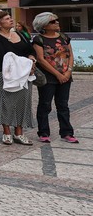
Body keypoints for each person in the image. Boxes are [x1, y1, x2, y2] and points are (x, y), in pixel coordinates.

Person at [0, 9, 35, 145]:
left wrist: (32, 60)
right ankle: (7, 132)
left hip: (24, 73)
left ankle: (19, 133)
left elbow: (30, 50)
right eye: (7, 18)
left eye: (10, 18)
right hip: (5, 74)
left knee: (23, 102)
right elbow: (2, 56)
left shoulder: (20, 34)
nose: (11, 20)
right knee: (6, 102)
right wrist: (26, 63)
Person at [31, 13, 78, 144]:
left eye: (57, 20)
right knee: (45, 105)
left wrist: (68, 72)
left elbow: (70, 55)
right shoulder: (39, 40)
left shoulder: (64, 37)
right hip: (48, 78)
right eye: (53, 21)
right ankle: (44, 132)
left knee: (63, 105)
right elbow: (41, 59)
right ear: (44, 25)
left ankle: (67, 132)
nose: (57, 22)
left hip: (65, 76)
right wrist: (57, 74)